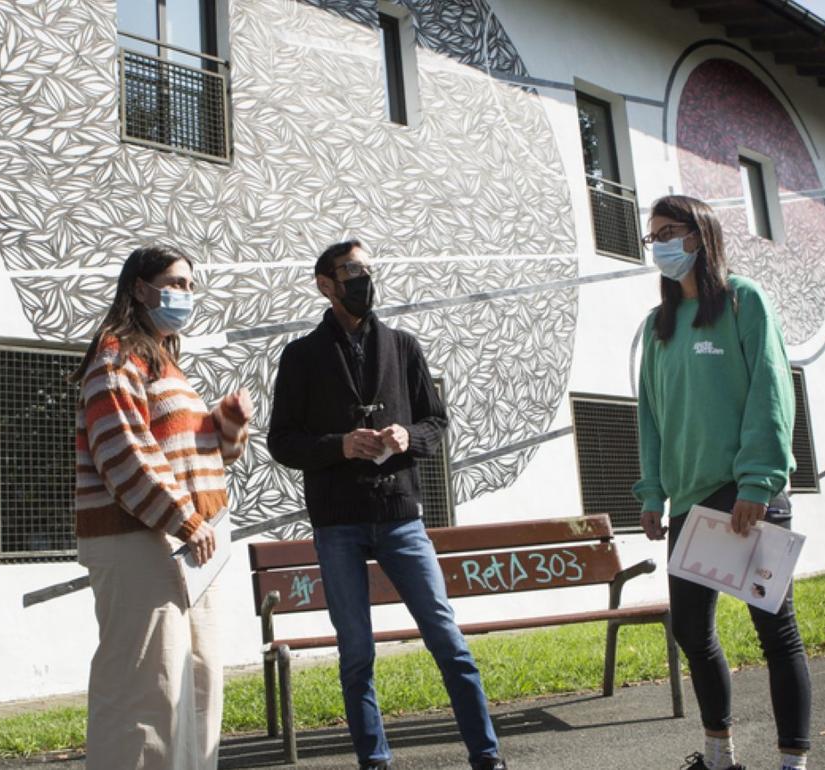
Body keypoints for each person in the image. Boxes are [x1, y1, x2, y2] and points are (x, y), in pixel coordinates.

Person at [267, 240, 507, 770]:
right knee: (357, 654)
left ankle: (487, 756)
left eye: (367, 271)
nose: (363, 281)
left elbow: (437, 423)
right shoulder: (301, 356)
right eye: (351, 271)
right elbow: (281, 441)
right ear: (325, 284)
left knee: (448, 641)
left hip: (401, 516)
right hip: (338, 521)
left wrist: (407, 437)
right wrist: (339, 445)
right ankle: (375, 762)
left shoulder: (403, 346)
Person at [634, 196, 811, 770]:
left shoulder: (743, 300)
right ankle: (719, 757)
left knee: (775, 633)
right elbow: (650, 416)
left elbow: (771, 390)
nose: (659, 244)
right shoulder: (657, 326)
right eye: (651, 236)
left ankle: (792, 763)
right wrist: (651, 493)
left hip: (745, 494)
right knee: (690, 630)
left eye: (668, 232)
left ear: (698, 235)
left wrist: (758, 483)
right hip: (688, 503)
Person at [73, 245, 252, 770]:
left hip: (186, 546)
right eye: (175, 283)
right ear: (138, 288)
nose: (185, 295)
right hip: (141, 541)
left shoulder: (165, 363)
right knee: (144, 694)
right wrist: (185, 519)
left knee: (192, 685)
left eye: (191, 286)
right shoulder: (115, 355)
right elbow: (122, 450)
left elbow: (200, 453)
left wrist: (228, 425)